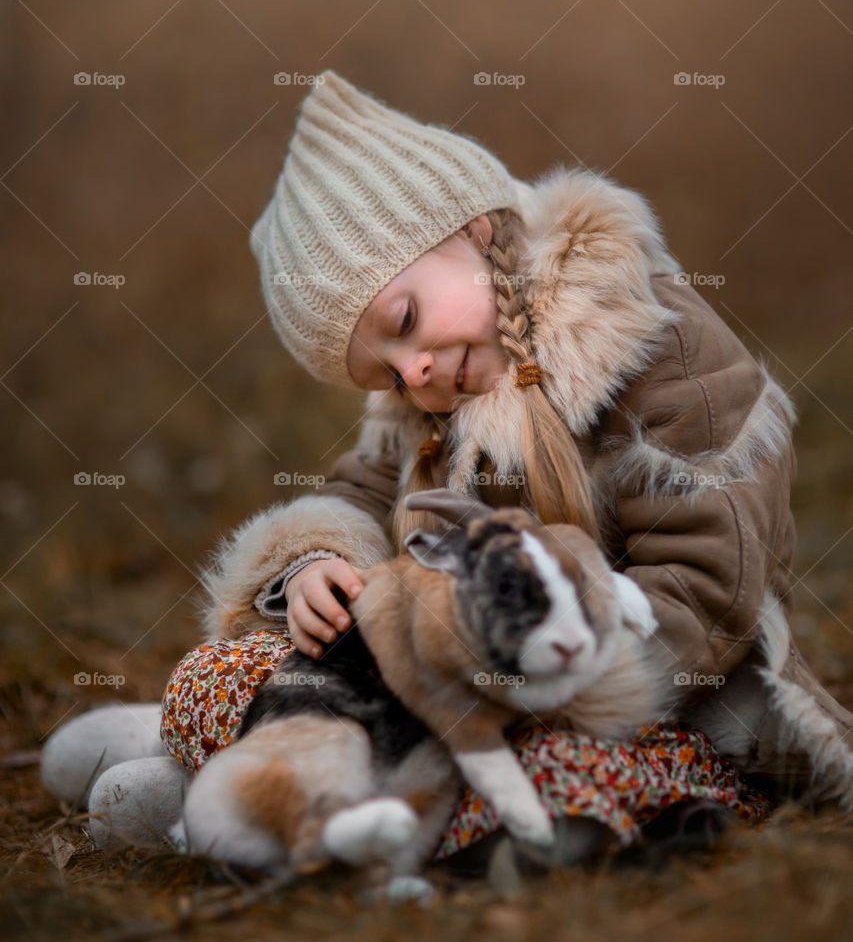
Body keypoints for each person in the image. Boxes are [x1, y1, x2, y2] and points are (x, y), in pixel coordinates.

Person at [41, 71, 853, 870]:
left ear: (471, 230)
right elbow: (359, 487)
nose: (414, 373)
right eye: (387, 372)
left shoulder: (658, 346)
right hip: (448, 681)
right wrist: (314, 566)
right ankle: (241, 770)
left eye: (404, 321)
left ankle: (261, 798)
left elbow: (707, 594)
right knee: (226, 667)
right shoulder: (434, 394)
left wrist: (505, 671)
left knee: (560, 771)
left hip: (641, 694)